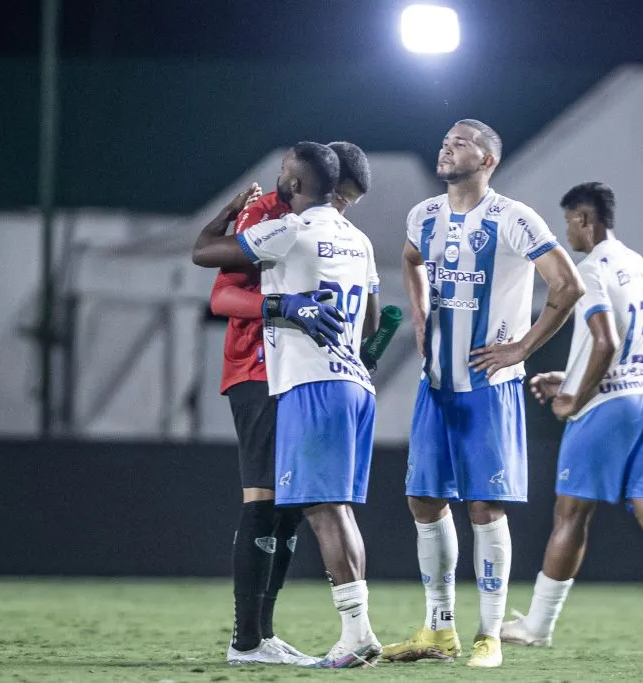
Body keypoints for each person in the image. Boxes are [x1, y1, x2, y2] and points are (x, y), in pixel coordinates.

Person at [382, 120, 585, 668]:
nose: (447, 146)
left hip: (489, 389)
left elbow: (567, 286)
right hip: (437, 386)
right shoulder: (423, 215)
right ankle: (439, 628)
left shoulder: (513, 218)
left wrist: (522, 347)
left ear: (489, 159)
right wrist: (421, 318)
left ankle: (489, 635)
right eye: (444, 139)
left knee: (484, 506)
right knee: (423, 500)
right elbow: (409, 260)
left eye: (461, 141)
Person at [193, 141, 383, 668]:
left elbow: (204, 250)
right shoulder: (290, 221)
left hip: (304, 378)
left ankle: (267, 638)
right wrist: (282, 304)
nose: (345, 207)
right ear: (325, 184)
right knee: (285, 503)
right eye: (343, 195)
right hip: (276, 373)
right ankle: (252, 638)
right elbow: (220, 296)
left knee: (302, 508)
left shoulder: (298, 226)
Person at [500, 182, 643, 651]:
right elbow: (628, 346)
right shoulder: (640, 264)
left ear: (583, 220)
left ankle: (537, 625)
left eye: (569, 223)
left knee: (570, 514)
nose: (567, 232)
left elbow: (606, 341)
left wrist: (574, 397)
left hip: (609, 405)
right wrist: (570, 376)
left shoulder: (590, 269)